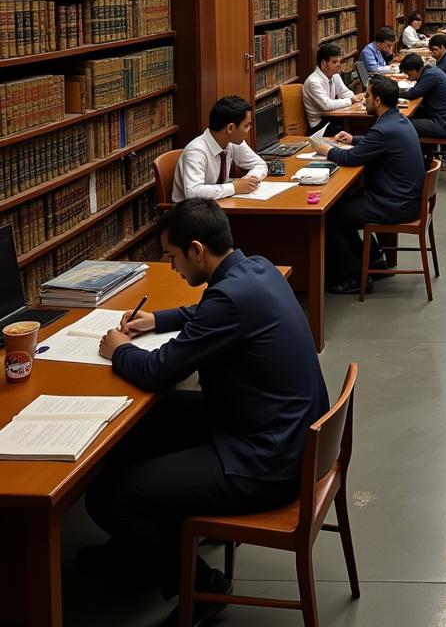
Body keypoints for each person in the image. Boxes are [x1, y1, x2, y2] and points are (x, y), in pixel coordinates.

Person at [84, 199, 329, 625]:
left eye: (173, 256)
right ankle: (138, 549)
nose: (172, 266)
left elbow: (159, 371)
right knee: (140, 429)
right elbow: (207, 312)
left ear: (197, 250)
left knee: (112, 496)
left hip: (264, 460)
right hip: (275, 429)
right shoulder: (256, 268)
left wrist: (119, 349)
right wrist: (156, 320)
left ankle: (203, 588)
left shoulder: (229, 299)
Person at [312, 76, 425, 294]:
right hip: (404, 198)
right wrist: (353, 139)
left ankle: (353, 276)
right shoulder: (397, 120)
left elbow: (350, 159)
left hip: (395, 204)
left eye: (367, 96)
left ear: (379, 100)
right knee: (345, 207)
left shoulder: (384, 129)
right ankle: (374, 259)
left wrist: (324, 149)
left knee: (332, 216)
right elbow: (377, 144)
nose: (364, 100)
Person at [172, 95, 267, 201]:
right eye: (246, 125)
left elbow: (260, 165)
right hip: (192, 212)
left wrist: (250, 180)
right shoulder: (196, 152)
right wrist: (234, 187)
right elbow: (193, 192)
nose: (250, 129)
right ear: (230, 128)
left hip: (219, 204)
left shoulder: (233, 142)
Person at [302, 41, 363, 133]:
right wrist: (351, 100)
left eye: (340, 61)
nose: (339, 65)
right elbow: (326, 105)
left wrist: (357, 99)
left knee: (357, 124)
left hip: (331, 118)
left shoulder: (335, 75)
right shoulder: (313, 82)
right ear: (323, 64)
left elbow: (345, 93)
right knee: (353, 129)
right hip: (318, 126)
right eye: (335, 62)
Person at [399, 52, 446, 138]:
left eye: (407, 73)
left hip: (443, 124)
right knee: (409, 116)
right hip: (444, 118)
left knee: (403, 124)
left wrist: (393, 93)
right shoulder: (430, 71)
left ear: (413, 70)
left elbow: (413, 93)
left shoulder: (430, 75)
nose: (408, 77)